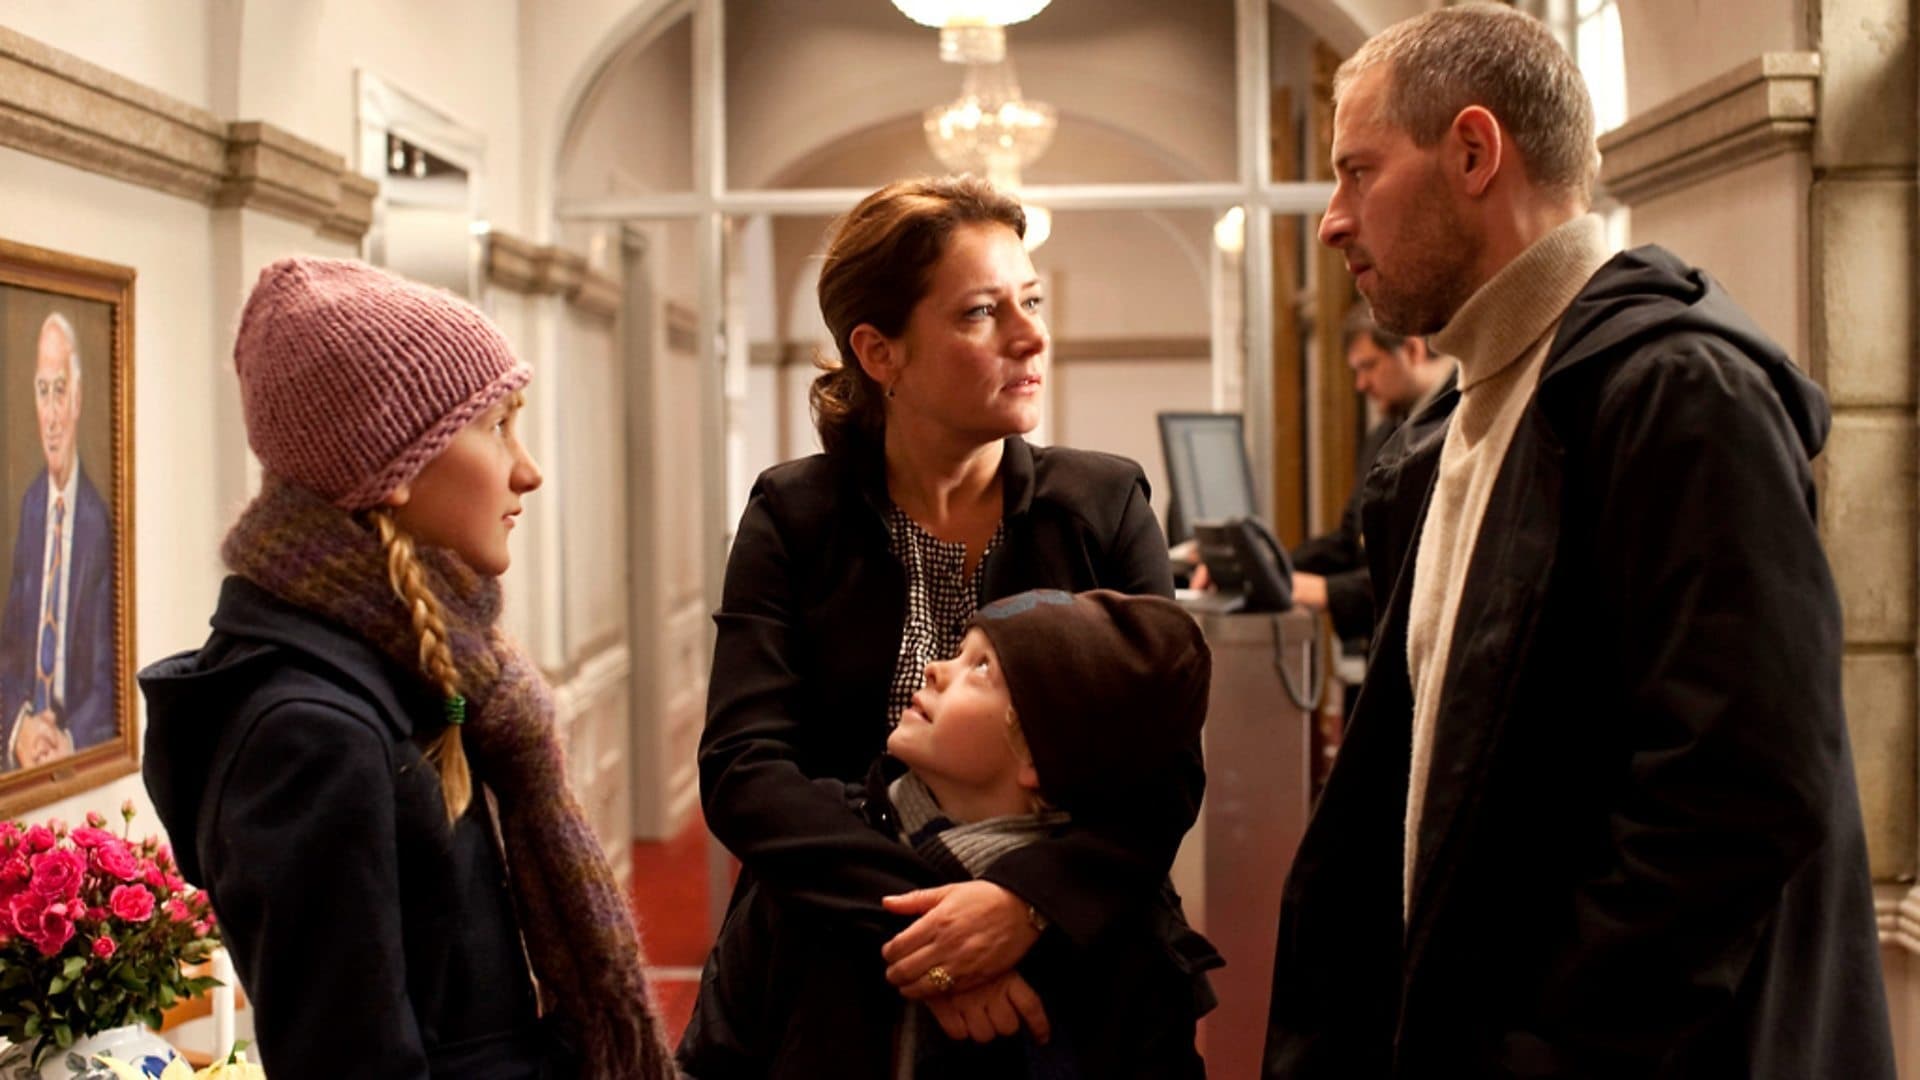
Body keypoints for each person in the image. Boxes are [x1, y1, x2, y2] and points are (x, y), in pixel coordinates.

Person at [1265, 5, 1894, 1077]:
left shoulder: (1680, 392)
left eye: (1358, 172)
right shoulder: (1454, 427)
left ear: (1474, 152)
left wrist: (1545, 1052)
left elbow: (1733, 794)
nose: (1332, 221)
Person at [691, 175, 1204, 1072]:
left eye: (1031, 301)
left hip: (1079, 959)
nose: (1030, 335)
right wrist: (943, 929)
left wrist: (1025, 905)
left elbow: (1163, 771)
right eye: (980, 312)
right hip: (834, 955)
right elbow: (745, 769)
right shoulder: (794, 514)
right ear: (879, 352)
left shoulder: (1103, 502)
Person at [139, 257, 675, 1079]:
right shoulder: (314, 735)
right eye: (496, 426)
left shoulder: (414, 672)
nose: (526, 469)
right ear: (390, 467)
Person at [680, 588, 1220, 1078]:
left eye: (980, 668)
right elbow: (712, 1059)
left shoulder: (1119, 926)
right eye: (959, 652)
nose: (935, 668)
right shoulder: (810, 858)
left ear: (1041, 755)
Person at [1288, 308, 1451, 643]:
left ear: (1412, 350)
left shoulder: (1460, 425)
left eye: (1369, 366)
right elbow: (1351, 540)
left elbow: (1430, 568)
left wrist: (1329, 591)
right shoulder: (1384, 436)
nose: (1360, 384)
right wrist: (1271, 568)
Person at [1, 312, 116, 768]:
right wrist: (20, 729)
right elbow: (7, 654)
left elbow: (110, 679)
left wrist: (68, 743)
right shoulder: (30, 508)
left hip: (77, 750)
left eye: (60, 390)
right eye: (42, 391)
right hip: (26, 752)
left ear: (78, 399)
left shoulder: (99, 523)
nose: (50, 416)